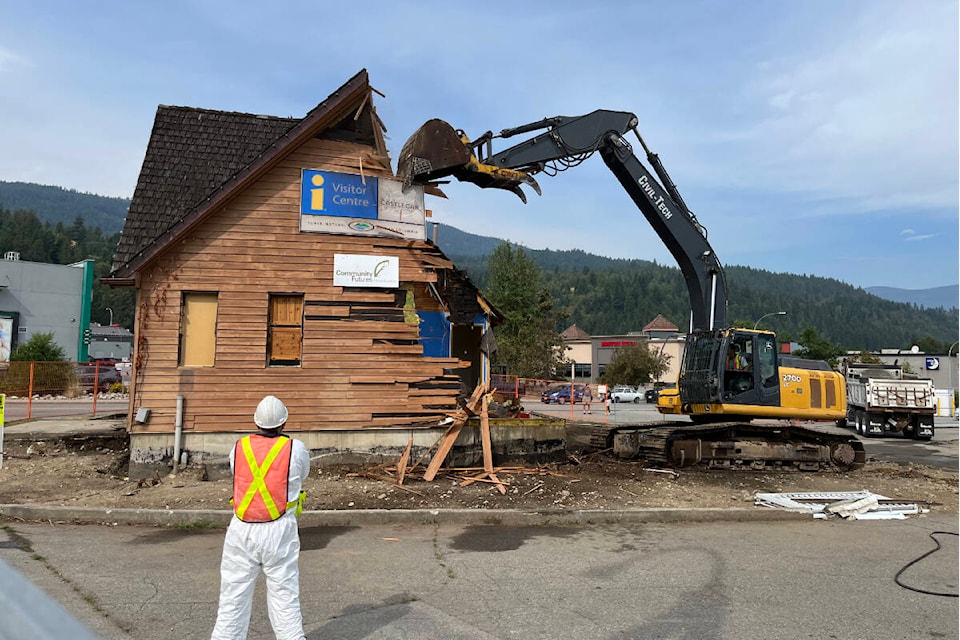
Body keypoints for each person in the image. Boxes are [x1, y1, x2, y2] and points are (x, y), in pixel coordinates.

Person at [211, 395, 311, 640]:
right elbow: (301, 474)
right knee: (284, 595)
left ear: (256, 422)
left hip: (241, 529)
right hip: (279, 528)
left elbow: (239, 474)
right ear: (284, 423)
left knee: (232, 598)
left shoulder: (239, 447)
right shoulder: (295, 448)